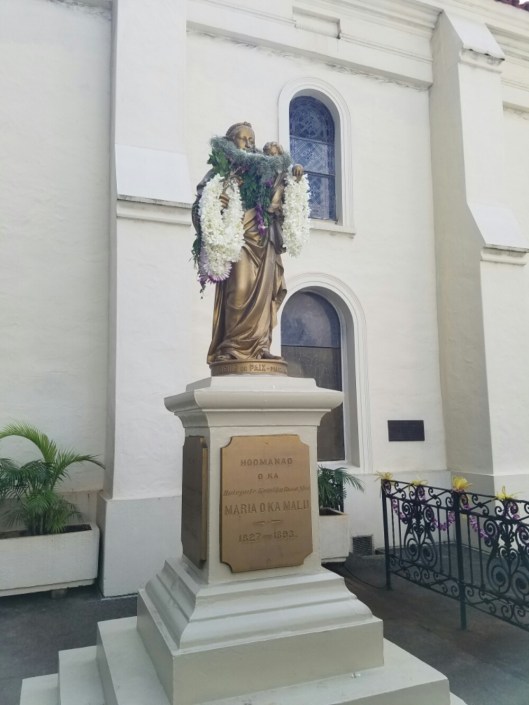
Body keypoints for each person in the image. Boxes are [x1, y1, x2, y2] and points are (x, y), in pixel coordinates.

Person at [193, 122, 303, 365]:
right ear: (230, 142)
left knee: (264, 295)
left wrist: (294, 177)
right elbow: (202, 206)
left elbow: (281, 196)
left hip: (264, 238)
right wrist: (217, 202)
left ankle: (260, 346)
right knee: (240, 289)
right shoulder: (220, 173)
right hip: (237, 238)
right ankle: (232, 347)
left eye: (252, 140)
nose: (249, 144)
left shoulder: (264, 173)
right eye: (243, 139)